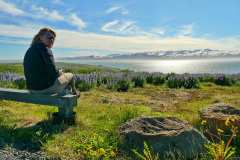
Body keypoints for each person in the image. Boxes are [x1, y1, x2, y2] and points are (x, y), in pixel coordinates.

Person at [23, 28, 80, 97]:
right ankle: (75, 92)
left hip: (31, 89)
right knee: (71, 75)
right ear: (40, 37)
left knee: (63, 80)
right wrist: (59, 72)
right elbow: (53, 72)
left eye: (53, 39)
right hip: (44, 90)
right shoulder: (45, 49)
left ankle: (68, 93)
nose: (52, 40)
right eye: (49, 37)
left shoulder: (30, 49)